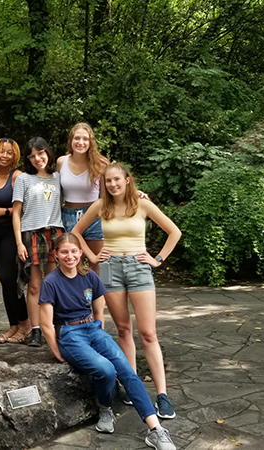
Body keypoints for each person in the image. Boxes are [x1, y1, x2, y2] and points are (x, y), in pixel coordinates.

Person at [39, 233, 176, 450]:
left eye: (73, 251)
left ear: (81, 253)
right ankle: (105, 408)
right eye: (64, 252)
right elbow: (46, 324)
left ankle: (156, 429)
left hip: (92, 329)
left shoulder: (90, 277)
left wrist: (99, 335)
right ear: (56, 254)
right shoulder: (50, 282)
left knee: (127, 370)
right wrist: (57, 351)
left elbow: (98, 311)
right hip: (70, 333)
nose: (69, 256)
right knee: (106, 369)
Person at [72, 162, 182, 419]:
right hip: (110, 269)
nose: (112, 184)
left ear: (127, 180)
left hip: (138, 267)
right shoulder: (101, 206)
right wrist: (93, 257)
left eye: (117, 180)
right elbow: (76, 231)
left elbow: (174, 232)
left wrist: (158, 259)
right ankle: (133, 387)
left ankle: (162, 395)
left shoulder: (142, 204)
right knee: (123, 329)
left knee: (148, 333)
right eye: (108, 181)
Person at [12, 137, 64, 347]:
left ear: (48, 152)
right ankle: (36, 330)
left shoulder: (58, 177)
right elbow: (16, 213)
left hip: (55, 233)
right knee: (35, 285)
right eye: (32, 156)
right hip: (32, 233)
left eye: (40, 153)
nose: (37, 158)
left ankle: (53, 325)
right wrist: (19, 243)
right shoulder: (24, 179)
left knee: (53, 283)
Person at [0, 138, 31, 344]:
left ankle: (25, 325)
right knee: (4, 280)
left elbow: (25, 206)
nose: (5, 155)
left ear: (15, 156)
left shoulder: (17, 177)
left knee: (9, 277)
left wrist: (5, 211)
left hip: (11, 233)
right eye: (1, 151)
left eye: (9, 152)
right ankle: (13, 325)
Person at [57, 123, 110, 275]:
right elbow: (58, 192)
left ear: (90, 142)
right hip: (68, 215)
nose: (81, 142)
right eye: (77, 138)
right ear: (71, 140)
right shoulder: (62, 162)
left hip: (93, 215)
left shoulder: (101, 164)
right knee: (72, 264)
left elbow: (106, 195)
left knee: (98, 263)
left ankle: (97, 292)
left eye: (85, 139)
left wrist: (135, 193)